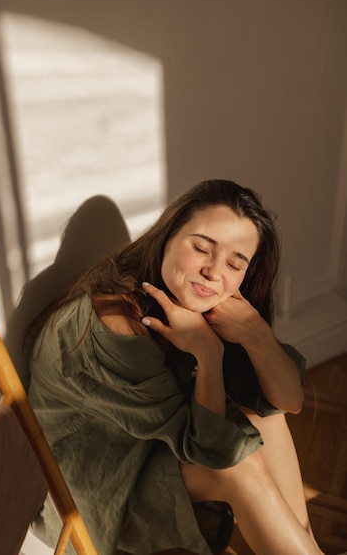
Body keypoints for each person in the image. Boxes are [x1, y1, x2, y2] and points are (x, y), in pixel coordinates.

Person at [28, 179, 323, 555]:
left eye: (235, 264)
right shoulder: (117, 323)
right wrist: (208, 353)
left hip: (150, 448)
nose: (214, 272)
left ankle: (307, 547)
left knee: (264, 416)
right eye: (201, 247)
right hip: (92, 489)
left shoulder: (199, 304)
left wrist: (255, 334)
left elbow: (289, 401)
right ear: (167, 236)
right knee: (239, 465)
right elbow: (212, 452)